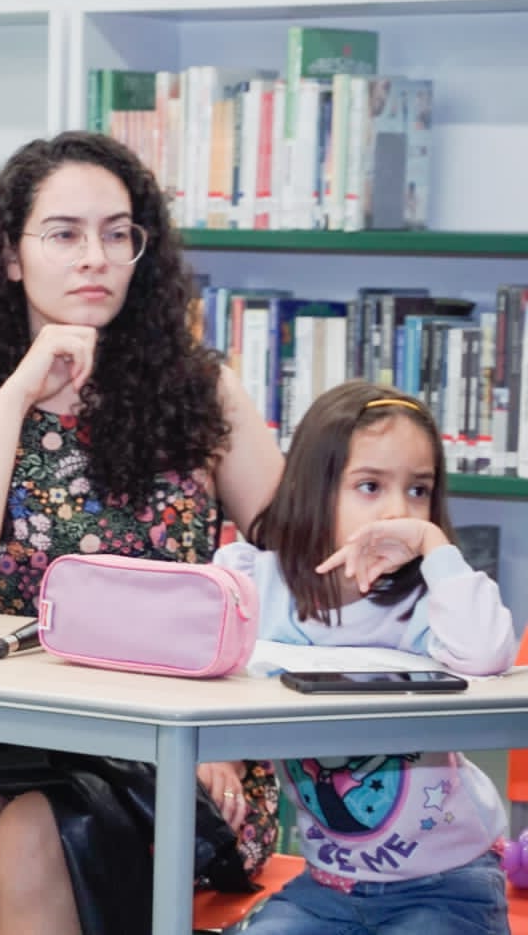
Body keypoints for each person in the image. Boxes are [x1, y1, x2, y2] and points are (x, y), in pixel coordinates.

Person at [0, 132, 286, 934]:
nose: (95, 257)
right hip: (23, 731)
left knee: (36, 833)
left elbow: (295, 556)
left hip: (177, 740)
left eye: (118, 233)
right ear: (11, 256)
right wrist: (12, 401)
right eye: (64, 233)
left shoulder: (202, 393)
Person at [215, 381, 515, 934]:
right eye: (371, 486)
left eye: (419, 491)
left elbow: (490, 653)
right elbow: (203, 667)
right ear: (315, 489)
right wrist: (214, 755)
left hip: (448, 888)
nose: (398, 510)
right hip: (325, 888)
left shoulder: (433, 600)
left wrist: (434, 548)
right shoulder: (261, 587)